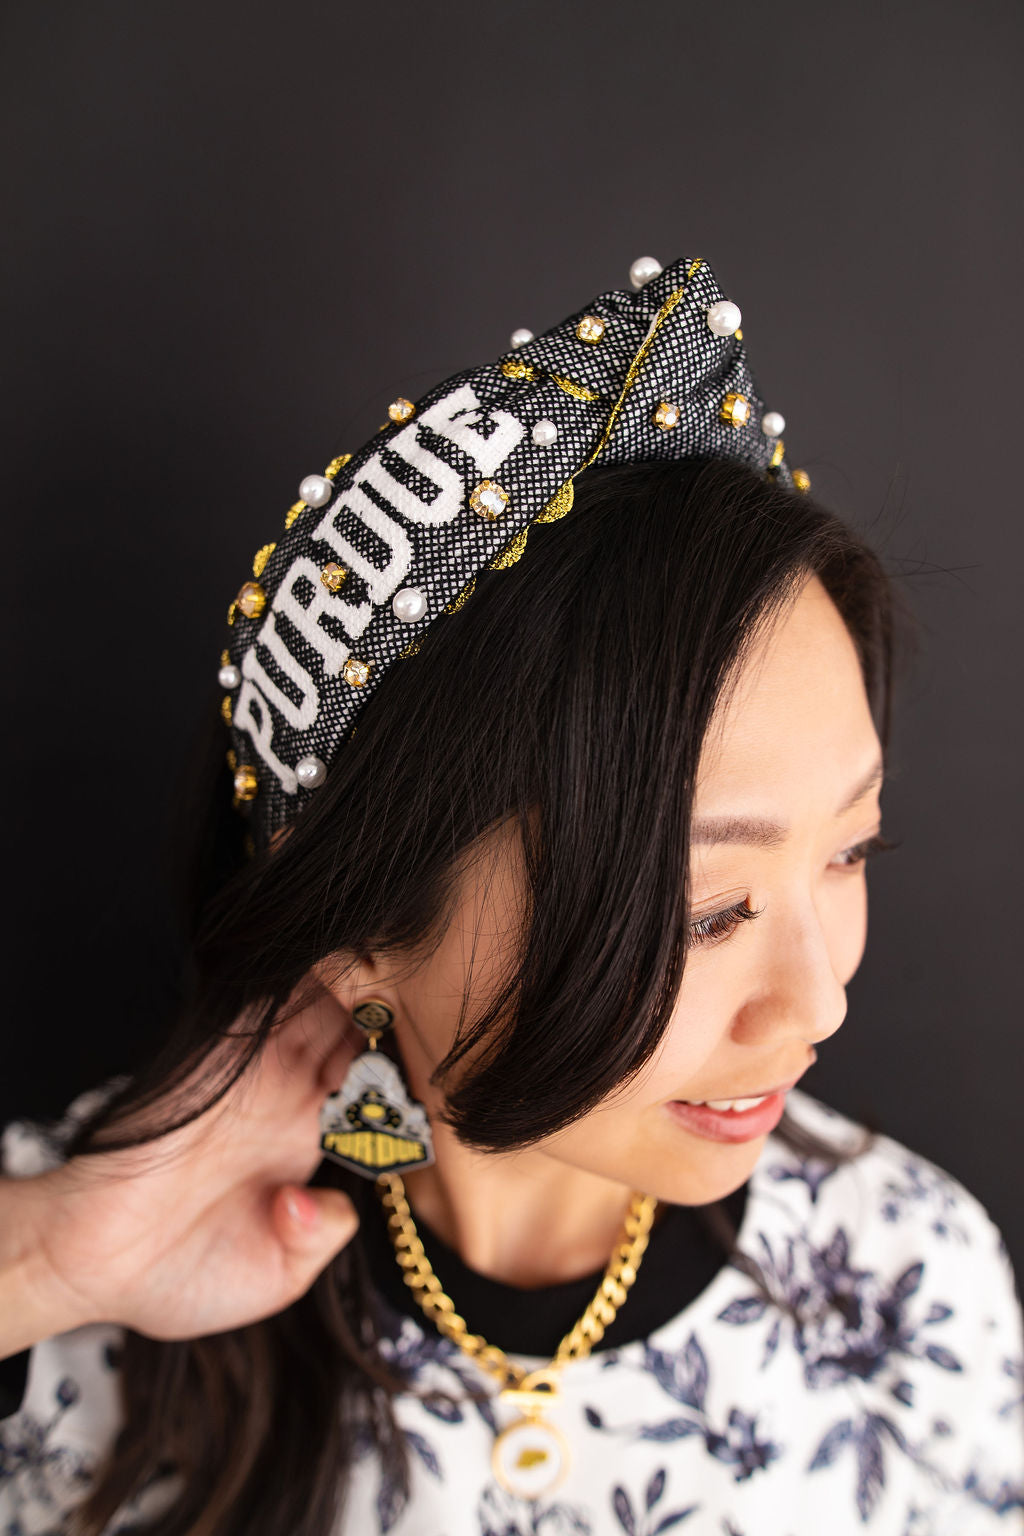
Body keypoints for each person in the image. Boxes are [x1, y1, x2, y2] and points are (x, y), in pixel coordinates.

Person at [1, 256, 1021, 1536]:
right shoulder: (72, 1264)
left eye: (850, 850)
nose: (816, 1005)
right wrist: (48, 1262)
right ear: (361, 925)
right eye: (706, 912)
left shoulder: (905, 1279)